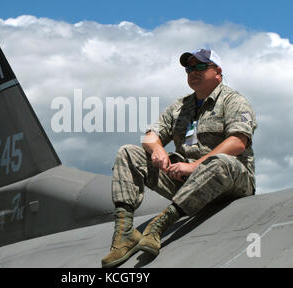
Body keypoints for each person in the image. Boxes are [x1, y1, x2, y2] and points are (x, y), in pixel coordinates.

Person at [101, 48, 257, 268]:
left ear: (218, 72)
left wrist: (193, 166)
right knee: (128, 152)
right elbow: (150, 136)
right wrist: (157, 149)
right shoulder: (180, 107)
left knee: (222, 161)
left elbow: (237, 142)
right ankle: (124, 233)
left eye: (201, 66)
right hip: (188, 184)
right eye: (189, 68)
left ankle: (160, 225)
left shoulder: (234, 101)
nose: (193, 72)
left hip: (230, 181)